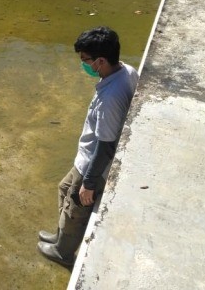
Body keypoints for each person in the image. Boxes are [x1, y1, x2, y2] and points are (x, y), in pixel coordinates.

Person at [37, 26, 139, 266]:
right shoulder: (127, 71)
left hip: (92, 163)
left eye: (86, 60)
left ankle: (63, 252)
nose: (83, 65)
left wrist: (89, 184)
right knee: (63, 189)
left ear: (101, 61)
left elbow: (105, 146)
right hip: (86, 156)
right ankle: (60, 235)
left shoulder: (109, 99)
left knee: (76, 208)